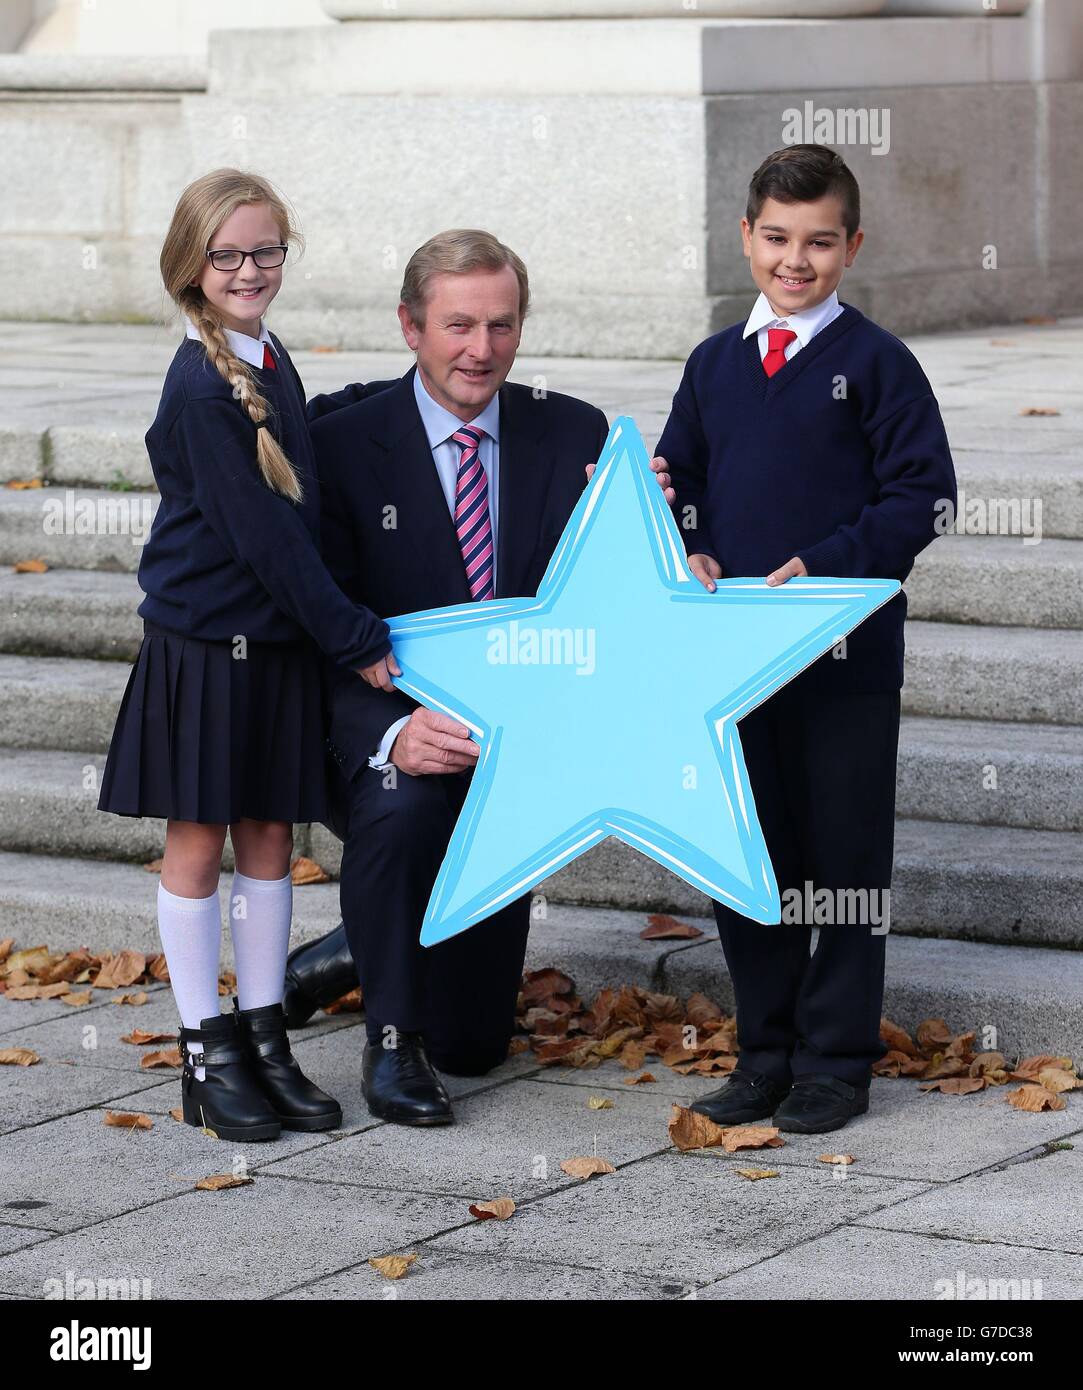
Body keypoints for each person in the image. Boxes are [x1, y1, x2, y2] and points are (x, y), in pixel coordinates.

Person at [290, 228, 675, 1126]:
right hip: (400, 723)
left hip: (521, 743)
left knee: (473, 1043)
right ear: (409, 326)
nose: (481, 350)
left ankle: (348, 949)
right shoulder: (341, 448)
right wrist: (388, 730)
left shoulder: (573, 430)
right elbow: (312, 620)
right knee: (401, 796)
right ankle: (388, 1047)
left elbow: (609, 614)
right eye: (457, 326)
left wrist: (638, 535)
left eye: (502, 326)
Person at [655, 144, 957, 1135]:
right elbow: (680, 481)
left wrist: (828, 563)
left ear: (852, 246)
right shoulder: (713, 364)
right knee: (749, 857)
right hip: (732, 665)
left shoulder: (876, 365)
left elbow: (924, 495)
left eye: (819, 242)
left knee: (841, 862)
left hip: (842, 664)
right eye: (777, 238)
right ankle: (765, 1050)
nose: (796, 260)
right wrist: (689, 545)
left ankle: (835, 1058)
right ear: (746, 237)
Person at [97, 168, 400, 1143]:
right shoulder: (198, 388)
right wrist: (356, 639)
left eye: (265, 250)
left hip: (270, 650)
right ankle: (205, 1051)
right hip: (203, 646)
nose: (248, 268)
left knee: (272, 842)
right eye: (227, 254)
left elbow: (303, 455)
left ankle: (266, 1037)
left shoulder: (268, 358)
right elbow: (269, 543)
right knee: (199, 844)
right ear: (193, 264)